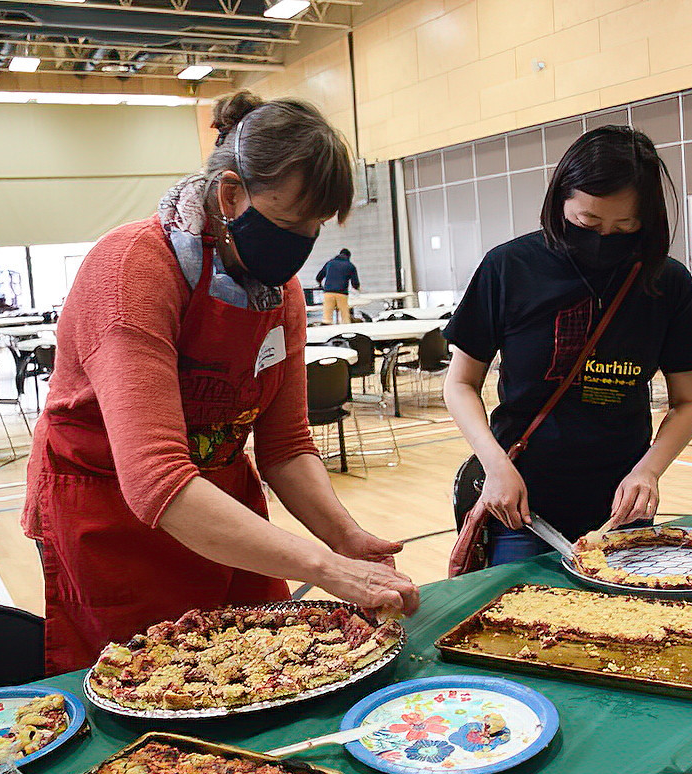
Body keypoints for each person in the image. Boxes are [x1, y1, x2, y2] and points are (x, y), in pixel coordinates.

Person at [22, 90, 418, 676]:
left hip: (225, 508)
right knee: (153, 690)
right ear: (231, 195)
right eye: (289, 222)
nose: (301, 245)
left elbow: (285, 446)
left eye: (314, 227)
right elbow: (157, 479)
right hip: (111, 516)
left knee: (266, 671)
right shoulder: (132, 268)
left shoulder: (276, 288)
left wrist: (345, 538)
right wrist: (328, 570)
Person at [443, 126, 692, 565]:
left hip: (620, 506)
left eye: (625, 225)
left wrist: (648, 471)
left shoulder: (666, 282)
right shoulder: (509, 267)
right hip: (521, 504)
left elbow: (690, 402)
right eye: (587, 222)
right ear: (560, 201)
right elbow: (460, 383)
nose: (603, 237)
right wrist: (495, 465)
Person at [316, 248, 360, 323]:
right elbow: (355, 283)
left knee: (327, 318)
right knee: (345, 318)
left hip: (328, 293)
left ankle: (328, 330)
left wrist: (321, 285)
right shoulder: (350, 266)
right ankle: (346, 332)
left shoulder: (330, 263)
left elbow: (318, 277)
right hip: (342, 293)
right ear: (348, 256)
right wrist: (357, 288)